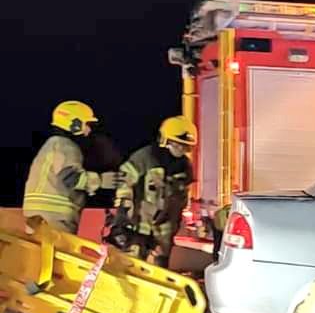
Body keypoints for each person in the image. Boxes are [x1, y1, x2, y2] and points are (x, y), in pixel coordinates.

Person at [109, 116, 196, 268]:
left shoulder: (184, 166)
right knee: (130, 267)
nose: (181, 149)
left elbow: (181, 198)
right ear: (165, 140)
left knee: (159, 271)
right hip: (138, 225)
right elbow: (125, 181)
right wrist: (122, 213)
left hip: (164, 231)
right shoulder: (145, 158)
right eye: (178, 144)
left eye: (185, 146)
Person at [23, 100, 121, 234]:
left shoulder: (53, 144)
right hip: (55, 215)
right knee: (60, 252)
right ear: (75, 125)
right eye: (87, 124)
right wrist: (100, 181)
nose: (89, 129)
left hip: (38, 214)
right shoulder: (66, 146)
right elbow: (70, 178)